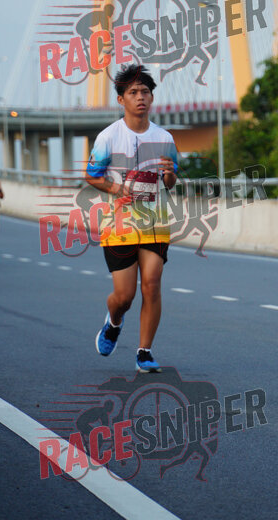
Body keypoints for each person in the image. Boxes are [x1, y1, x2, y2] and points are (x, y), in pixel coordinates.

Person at [85, 64, 178, 373]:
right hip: (119, 225)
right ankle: (113, 322)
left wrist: (169, 175)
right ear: (121, 99)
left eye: (145, 92)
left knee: (151, 284)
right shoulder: (108, 137)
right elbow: (92, 175)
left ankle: (144, 352)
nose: (140, 97)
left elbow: (170, 181)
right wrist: (117, 188)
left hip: (155, 222)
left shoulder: (164, 137)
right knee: (124, 296)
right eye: (133, 92)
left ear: (152, 98)